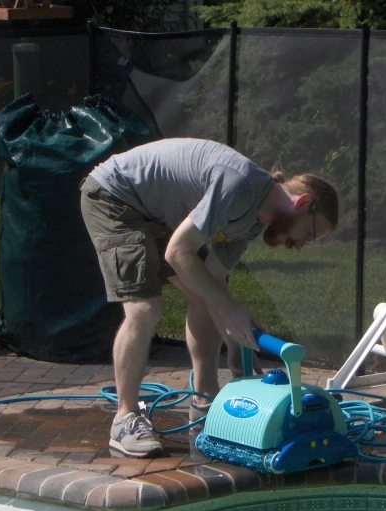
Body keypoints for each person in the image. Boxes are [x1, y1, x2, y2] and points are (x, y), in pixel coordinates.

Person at [80, 138, 338, 459]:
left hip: (157, 212)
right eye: (309, 234)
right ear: (303, 203)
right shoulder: (240, 186)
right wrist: (230, 312)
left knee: (207, 294)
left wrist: (236, 341)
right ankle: (125, 419)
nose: (300, 245)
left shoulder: (253, 221)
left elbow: (213, 279)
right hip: (116, 196)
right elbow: (178, 252)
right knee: (145, 307)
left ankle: (204, 400)